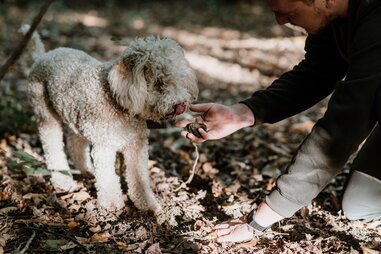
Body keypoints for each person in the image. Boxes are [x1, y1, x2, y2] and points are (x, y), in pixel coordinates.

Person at [175, 0, 381, 243]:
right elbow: (316, 73)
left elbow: (344, 125)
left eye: (289, 13)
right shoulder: (335, 19)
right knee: (361, 204)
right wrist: (242, 113)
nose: (280, 21)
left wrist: (259, 221)